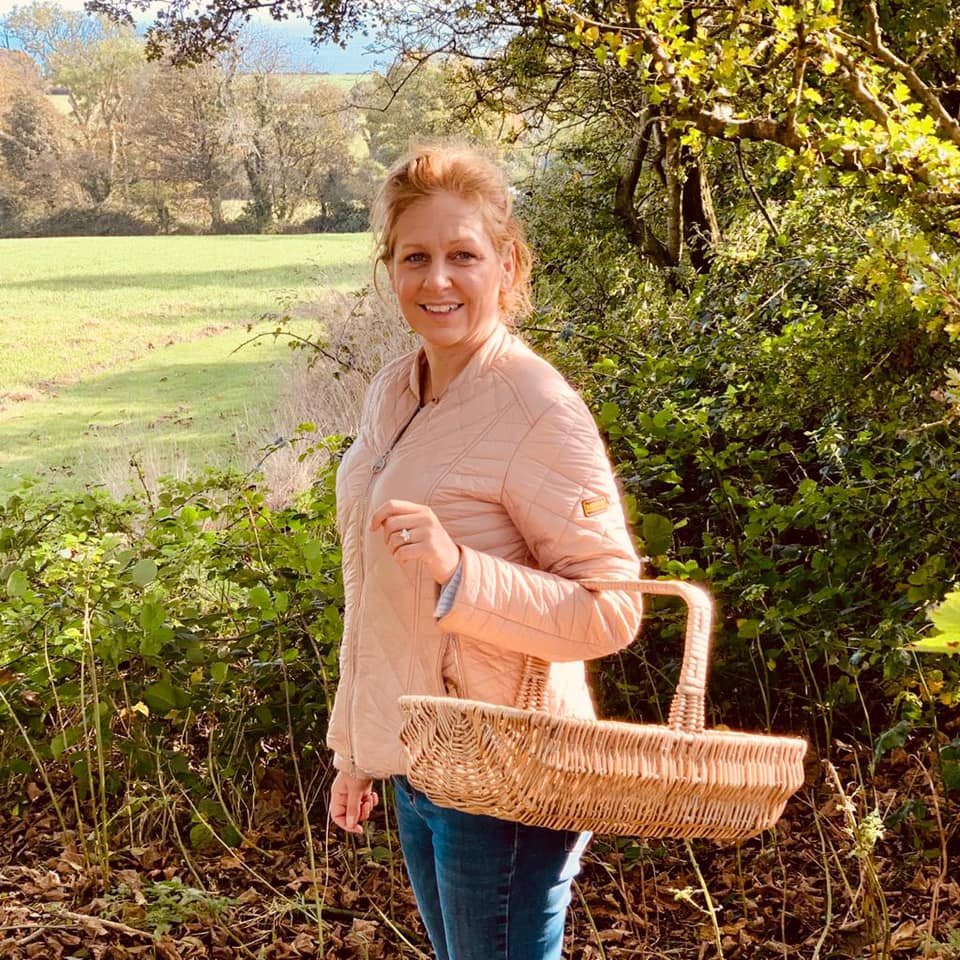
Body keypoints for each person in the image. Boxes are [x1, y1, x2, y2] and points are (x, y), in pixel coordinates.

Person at [326, 141, 644, 960]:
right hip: (422, 761)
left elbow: (612, 609)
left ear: (508, 265)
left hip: (508, 772)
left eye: (462, 255)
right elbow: (371, 591)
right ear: (389, 271)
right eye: (415, 257)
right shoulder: (394, 390)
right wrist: (357, 751)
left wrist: (458, 572)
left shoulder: (539, 406)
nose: (438, 280)